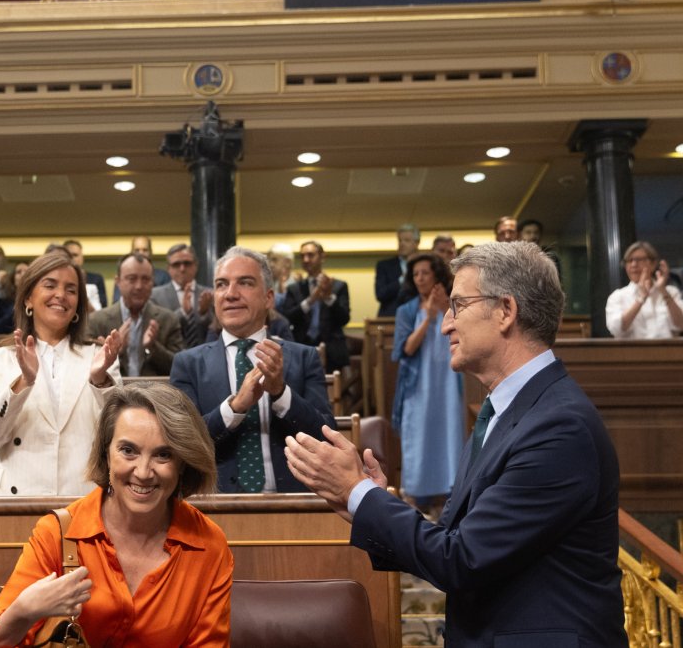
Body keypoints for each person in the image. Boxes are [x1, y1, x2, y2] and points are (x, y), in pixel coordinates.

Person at [284, 241, 627, 647]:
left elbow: (462, 559)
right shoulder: (501, 411)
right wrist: (367, 497)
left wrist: (360, 494)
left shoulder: (558, 427)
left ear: (505, 310)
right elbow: (451, 539)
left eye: (459, 305)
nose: (446, 324)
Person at [0, 383, 232, 647]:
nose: (143, 471)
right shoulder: (58, 533)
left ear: (183, 463)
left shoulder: (208, 544)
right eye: (128, 451)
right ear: (106, 453)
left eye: (163, 455)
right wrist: (24, 612)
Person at [170, 247, 332, 493]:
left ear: (268, 298)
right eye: (222, 285)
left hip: (294, 504)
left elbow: (325, 437)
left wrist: (280, 393)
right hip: (215, 507)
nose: (231, 294)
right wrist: (235, 408)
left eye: (244, 283)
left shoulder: (304, 357)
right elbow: (182, 444)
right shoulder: (188, 364)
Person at [0, 252, 121, 496]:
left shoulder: (99, 357)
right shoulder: (0, 358)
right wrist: (22, 383)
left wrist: (100, 380)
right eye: (50, 285)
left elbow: (120, 433)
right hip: (11, 497)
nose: (61, 295)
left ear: (77, 307)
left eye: (71, 290)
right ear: (28, 298)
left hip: (80, 497)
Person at [390, 253, 462, 516]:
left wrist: (443, 309)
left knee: (449, 437)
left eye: (425, 273)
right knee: (418, 440)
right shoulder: (406, 310)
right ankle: (417, 498)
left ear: (436, 276)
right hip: (418, 387)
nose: (419, 278)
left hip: (449, 384)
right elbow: (404, 350)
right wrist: (429, 318)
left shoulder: (454, 306)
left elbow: (463, 335)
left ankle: (448, 497)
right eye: (415, 274)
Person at [88, 253, 184, 377]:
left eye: (145, 279)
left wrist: (153, 346)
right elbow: (87, 370)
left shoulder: (168, 320)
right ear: (118, 281)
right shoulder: (96, 321)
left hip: (155, 394)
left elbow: (180, 368)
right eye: (132, 279)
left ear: (152, 282)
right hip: (111, 394)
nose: (139, 286)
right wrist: (116, 352)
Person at [279, 240, 351, 373]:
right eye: (302, 256)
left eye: (310, 255)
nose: (306, 259)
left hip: (333, 352)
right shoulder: (294, 289)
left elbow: (344, 319)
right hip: (301, 348)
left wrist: (328, 298)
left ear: (322, 257)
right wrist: (310, 301)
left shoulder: (338, 286)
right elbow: (287, 318)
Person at [605, 240, 682, 339]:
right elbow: (616, 329)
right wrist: (640, 299)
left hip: (667, 352)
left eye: (639, 259)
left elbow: (681, 325)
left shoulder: (671, 292)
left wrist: (663, 291)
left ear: (653, 264)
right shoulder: (617, 296)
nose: (633, 265)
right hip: (631, 353)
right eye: (629, 261)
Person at [150, 243, 214, 348]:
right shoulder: (155, 296)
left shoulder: (211, 294)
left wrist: (204, 314)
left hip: (205, 357)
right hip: (169, 359)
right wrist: (182, 312)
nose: (182, 269)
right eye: (176, 264)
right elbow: (158, 331)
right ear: (168, 268)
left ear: (196, 266)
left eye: (187, 263)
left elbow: (218, 329)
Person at [374, 223, 420, 317]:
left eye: (406, 240)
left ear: (416, 243)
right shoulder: (384, 266)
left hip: (418, 316)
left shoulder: (424, 265)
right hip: (391, 317)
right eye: (400, 240)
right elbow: (381, 294)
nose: (402, 244)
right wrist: (403, 278)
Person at [111, 236, 170, 304]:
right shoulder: (123, 275)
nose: (141, 253)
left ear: (151, 253)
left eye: (145, 250)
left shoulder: (163, 276)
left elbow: (166, 302)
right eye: (137, 250)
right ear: (131, 252)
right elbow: (117, 302)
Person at [62, 239, 107, 310]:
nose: (72, 258)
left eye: (75, 255)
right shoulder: (59, 279)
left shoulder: (96, 279)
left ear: (82, 258)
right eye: (69, 255)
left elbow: (102, 310)